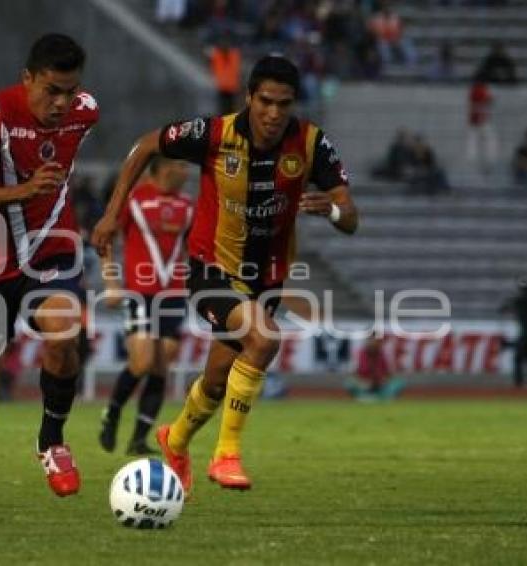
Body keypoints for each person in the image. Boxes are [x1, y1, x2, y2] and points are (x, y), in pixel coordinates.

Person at [92, 55, 358, 494]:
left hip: (266, 278)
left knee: (217, 379)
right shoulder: (214, 134)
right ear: (249, 97)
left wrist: (330, 209)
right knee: (266, 337)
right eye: (266, 102)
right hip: (211, 268)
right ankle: (226, 454)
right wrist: (111, 212)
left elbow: (351, 217)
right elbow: (146, 145)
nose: (274, 113)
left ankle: (173, 440)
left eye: (284, 104)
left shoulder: (312, 144)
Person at [0, 33, 99, 522]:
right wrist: (25, 189)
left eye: (69, 92)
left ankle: (51, 441)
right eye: (51, 90)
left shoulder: (85, 111)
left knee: (65, 334)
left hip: (51, 252)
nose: (61, 103)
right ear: (27, 78)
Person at [98, 156, 193, 455]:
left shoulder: (188, 205)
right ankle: (111, 415)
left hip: (174, 294)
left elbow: (195, 248)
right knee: (142, 361)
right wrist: (112, 283)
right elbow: (104, 240)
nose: (186, 170)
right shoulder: (133, 199)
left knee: (162, 362)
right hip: (140, 292)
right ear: (166, 168)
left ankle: (138, 438)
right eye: (182, 165)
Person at [344, 333, 404, 401]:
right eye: (371, 340)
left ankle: (382, 397)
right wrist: (364, 382)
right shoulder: (359, 354)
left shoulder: (384, 354)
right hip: (364, 384)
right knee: (349, 383)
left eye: (375, 340)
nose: (373, 342)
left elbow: (390, 374)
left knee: (398, 382)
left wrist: (383, 381)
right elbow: (354, 373)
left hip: (381, 384)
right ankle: (364, 397)